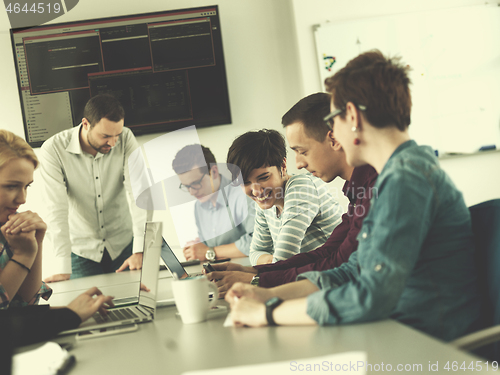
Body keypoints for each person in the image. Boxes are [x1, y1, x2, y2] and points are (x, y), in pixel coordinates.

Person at [225, 50, 481, 342]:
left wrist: (267, 314)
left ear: (353, 117)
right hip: (392, 330)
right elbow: (350, 270)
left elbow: (371, 294)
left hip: (423, 343)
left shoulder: (407, 180)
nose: (333, 135)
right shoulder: (392, 178)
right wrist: (266, 295)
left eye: (333, 121)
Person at [206, 93, 377, 295]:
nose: (299, 164)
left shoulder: (372, 185)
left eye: (302, 151)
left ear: (333, 139)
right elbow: (329, 252)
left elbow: (339, 263)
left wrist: (257, 280)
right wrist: (253, 270)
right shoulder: (358, 190)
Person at [0, 129, 113, 345]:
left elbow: (25, 302)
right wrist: (24, 255)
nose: (22, 199)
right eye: (12, 186)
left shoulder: (5, 227)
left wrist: (36, 243)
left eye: (26, 187)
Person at [39, 94, 147, 281]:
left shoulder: (126, 138)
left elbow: (140, 192)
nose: (113, 143)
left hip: (123, 245)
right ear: (86, 124)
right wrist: (62, 266)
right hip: (81, 252)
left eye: (116, 135)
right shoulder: (53, 149)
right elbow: (56, 209)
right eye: (105, 136)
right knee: (87, 308)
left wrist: (141, 249)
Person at [226, 129, 342, 266]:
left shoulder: (302, 188)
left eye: (263, 178)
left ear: (283, 165)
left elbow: (283, 261)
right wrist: (272, 261)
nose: (256, 191)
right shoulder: (267, 204)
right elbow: (255, 253)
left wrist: (275, 262)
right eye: (245, 182)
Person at [172, 144, 254, 262]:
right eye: (187, 186)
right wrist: (197, 246)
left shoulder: (243, 195)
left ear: (214, 172)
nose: (191, 192)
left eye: (195, 183)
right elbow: (207, 245)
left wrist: (209, 252)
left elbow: (257, 241)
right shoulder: (199, 206)